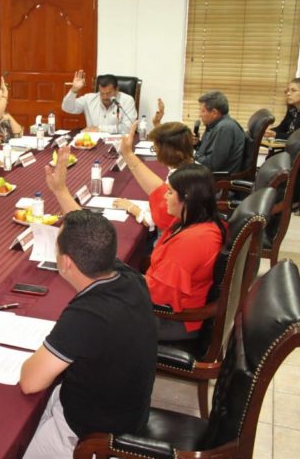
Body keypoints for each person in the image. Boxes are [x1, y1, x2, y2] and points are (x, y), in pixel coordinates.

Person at [45, 146, 225, 341]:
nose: (165, 196)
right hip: (164, 300)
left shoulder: (191, 242)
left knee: (88, 313)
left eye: (170, 192)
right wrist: (61, 190)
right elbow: (156, 190)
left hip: (170, 319)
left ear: (187, 198)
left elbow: (153, 296)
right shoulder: (196, 220)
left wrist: (108, 280)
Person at [19, 210, 157, 458]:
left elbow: (30, 382)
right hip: (126, 409)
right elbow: (92, 234)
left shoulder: (88, 315)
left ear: (66, 262)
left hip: (92, 434)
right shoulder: (130, 277)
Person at [113, 121, 194, 230]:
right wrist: (128, 154)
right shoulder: (192, 167)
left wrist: (130, 207)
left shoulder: (179, 181)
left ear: (166, 152)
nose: (155, 153)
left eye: (155, 149)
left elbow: (149, 220)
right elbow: (159, 189)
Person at [61, 72, 137, 134]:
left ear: (117, 89)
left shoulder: (127, 100)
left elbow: (128, 128)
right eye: (102, 93)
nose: (105, 97)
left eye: (109, 93)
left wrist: (99, 129)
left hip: (117, 143)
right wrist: (74, 89)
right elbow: (67, 108)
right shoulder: (89, 99)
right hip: (92, 143)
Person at [193, 90, 246, 173]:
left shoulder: (225, 128)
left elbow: (212, 164)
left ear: (214, 112)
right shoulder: (215, 125)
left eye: (203, 111)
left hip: (219, 178)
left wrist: (191, 158)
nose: (200, 114)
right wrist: (197, 144)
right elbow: (209, 152)